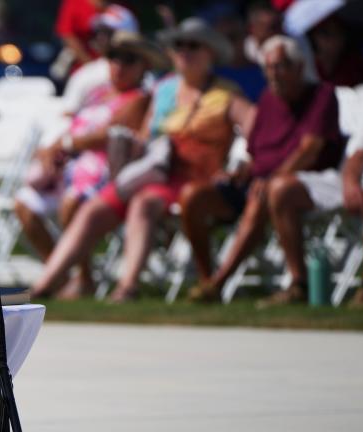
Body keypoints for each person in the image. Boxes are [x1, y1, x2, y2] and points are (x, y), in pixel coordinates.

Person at [30, 18, 256, 302]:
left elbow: (255, 129)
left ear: (210, 52)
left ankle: (127, 286)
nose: (184, 52)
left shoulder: (225, 94)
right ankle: (46, 285)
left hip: (194, 178)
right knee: (93, 208)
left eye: (193, 46)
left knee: (143, 203)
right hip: (152, 172)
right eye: (178, 46)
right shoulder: (165, 90)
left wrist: (241, 160)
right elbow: (146, 134)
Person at [183, 35, 343, 303]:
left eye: (280, 66)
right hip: (257, 181)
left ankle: (292, 284)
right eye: (268, 67)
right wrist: (240, 171)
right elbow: (255, 152)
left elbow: (310, 150)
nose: (273, 74)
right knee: (193, 196)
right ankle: (205, 278)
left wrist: (273, 177)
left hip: (304, 185)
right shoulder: (268, 100)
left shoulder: (321, 96)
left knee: (268, 192)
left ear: (299, 67)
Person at [14, 31, 160, 298]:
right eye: (114, 58)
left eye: (129, 60)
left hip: (106, 172)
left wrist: (67, 144)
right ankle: (57, 273)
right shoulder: (99, 93)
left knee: (72, 203)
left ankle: (84, 277)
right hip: (70, 169)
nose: (118, 66)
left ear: (144, 66)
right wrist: (51, 148)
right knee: (24, 205)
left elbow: (108, 134)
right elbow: (73, 124)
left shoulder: (140, 98)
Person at [260, 90, 363, 307]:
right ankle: (298, 284)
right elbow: (357, 153)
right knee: (281, 189)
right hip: (352, 180)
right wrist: (350, 182)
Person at [307, 14, 363, 87]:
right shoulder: (307, 67)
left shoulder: (360, 66)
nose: (331, 39)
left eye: (336, 33)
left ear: (343, 37)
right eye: (324, 33)